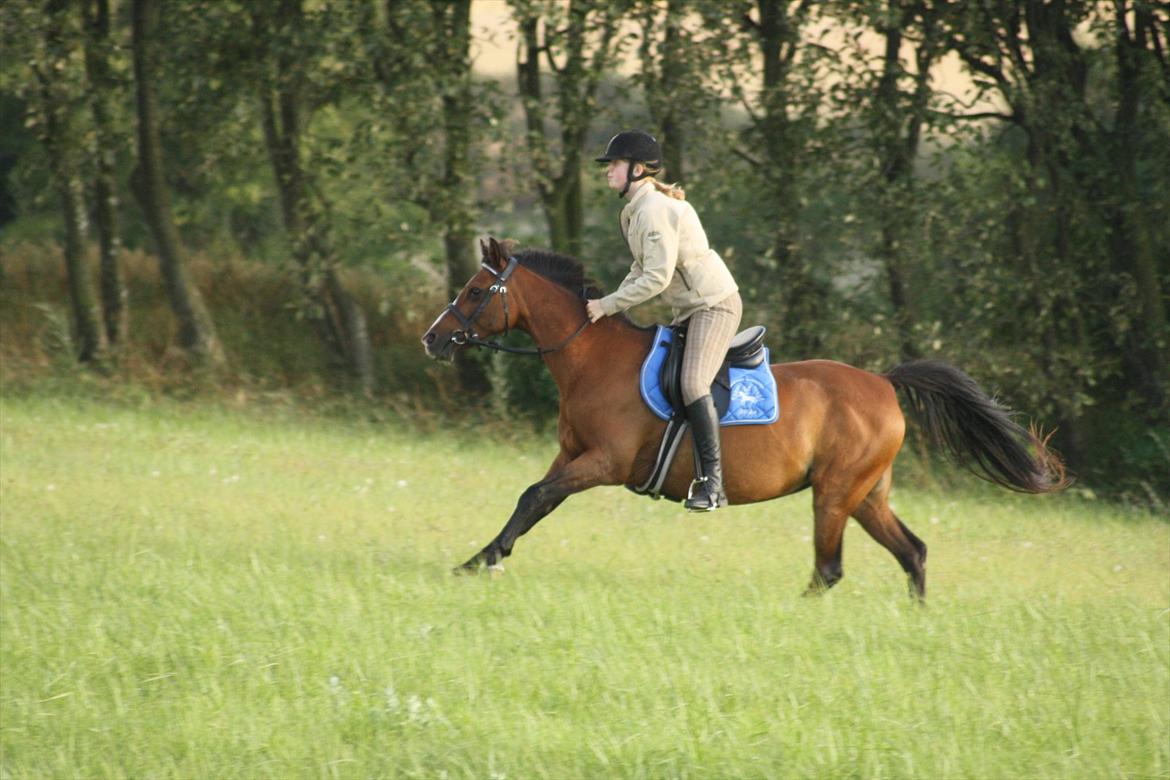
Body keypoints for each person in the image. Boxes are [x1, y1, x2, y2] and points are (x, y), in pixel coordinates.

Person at [585, 130, 743, 512]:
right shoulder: (633, 211)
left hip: (714, 305)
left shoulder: (654, 211)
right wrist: (608, 308)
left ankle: (712, 484)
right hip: (687, 310)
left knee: (691, 382)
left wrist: (607, 305)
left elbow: (655, 279)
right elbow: (638, 269)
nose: (608, 172)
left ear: (638, 170)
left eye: (615, 165)